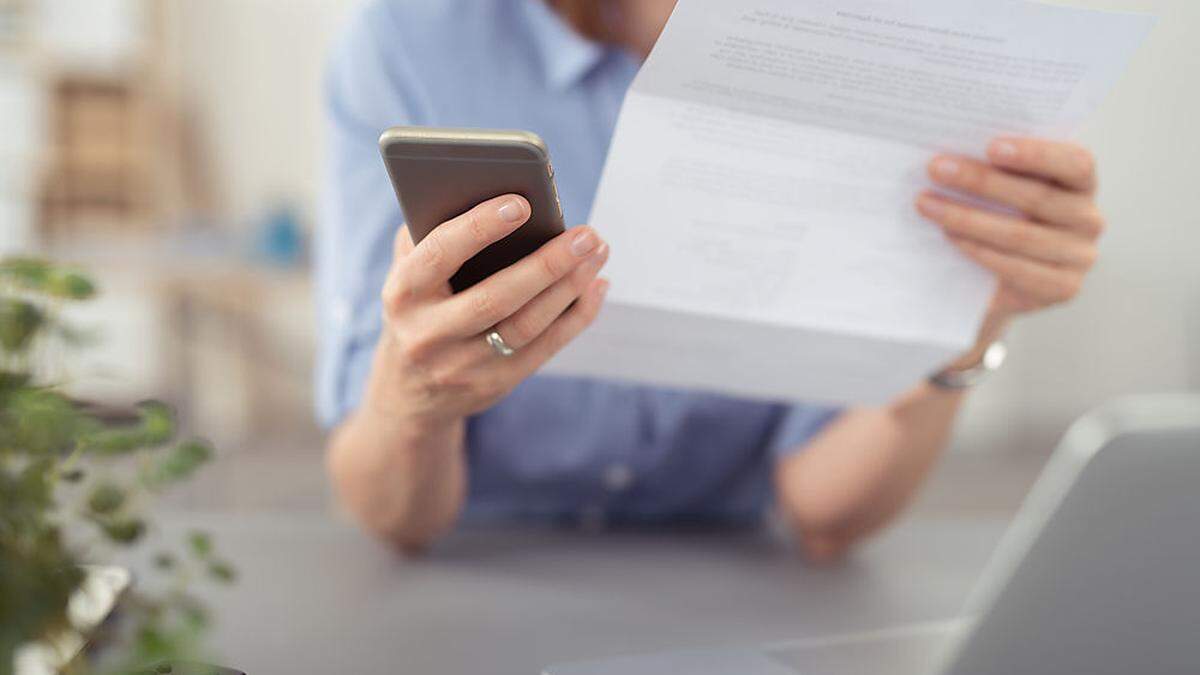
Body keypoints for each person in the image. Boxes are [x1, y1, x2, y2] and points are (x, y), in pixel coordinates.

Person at [317, 0, 1106, 561]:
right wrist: (411, 397)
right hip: (473, 568)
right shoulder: (408, 40)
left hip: (738, 581)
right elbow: (390, 512)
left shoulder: (862, 54)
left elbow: (825, 508)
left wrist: (970, 313)